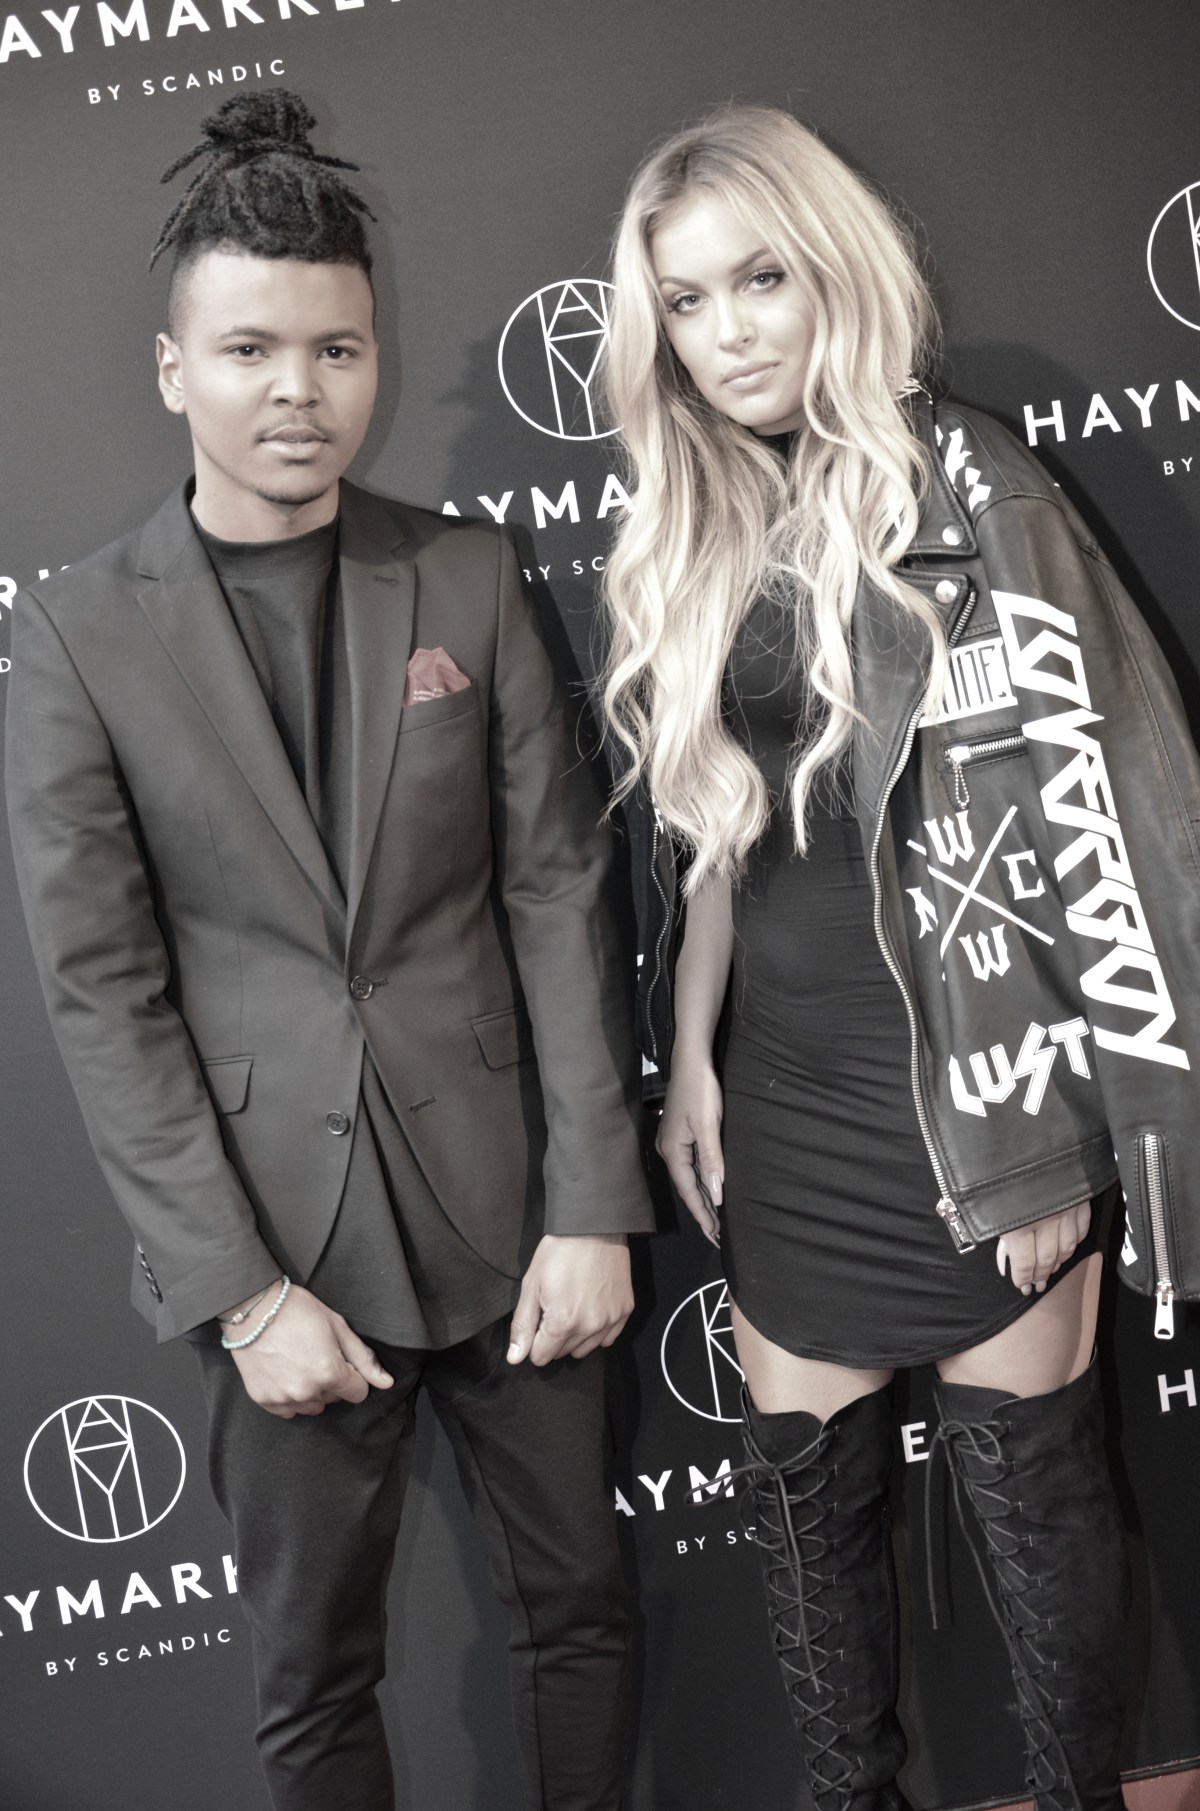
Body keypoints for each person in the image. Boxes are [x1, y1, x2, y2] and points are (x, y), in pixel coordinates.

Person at [5, 88, 653, 1811]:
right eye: (251, 350)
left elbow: (557, 892)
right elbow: (104, 995)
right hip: (278, 1243)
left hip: (519, 1220)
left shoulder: (468, 575)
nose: (299, 389)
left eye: (337, 350)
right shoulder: (74, 635)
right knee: (312, 1684)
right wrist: (240, 1294)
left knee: (584, 1619)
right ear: (175, 371)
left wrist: (593, 1206)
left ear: (375, 360)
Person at [602, 104, 1200, 1811]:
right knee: (812, 1535)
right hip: (789, 1104)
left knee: (1039, 1517)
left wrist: (1060, 1129)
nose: (729, 335)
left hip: (980, 1092)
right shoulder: (698, 523)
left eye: (762, 279)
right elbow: (725, 843)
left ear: (835, 271)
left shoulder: (979, 489)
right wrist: (689, 1066)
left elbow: (1108, 828)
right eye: (687, 302)